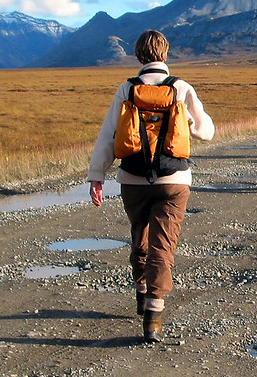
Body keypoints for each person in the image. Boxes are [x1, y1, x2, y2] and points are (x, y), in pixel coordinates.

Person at [87, 30, 215, 343]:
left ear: (138, 56)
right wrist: (184, 122)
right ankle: (153, 318)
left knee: (140, 239)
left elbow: (108, 135)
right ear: (165, 54)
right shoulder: (181, 88)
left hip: (132, 180)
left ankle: (142, 292)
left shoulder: (126, 89)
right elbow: (206, 132)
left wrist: (96, 176)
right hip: (174, 181)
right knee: (163, 247)